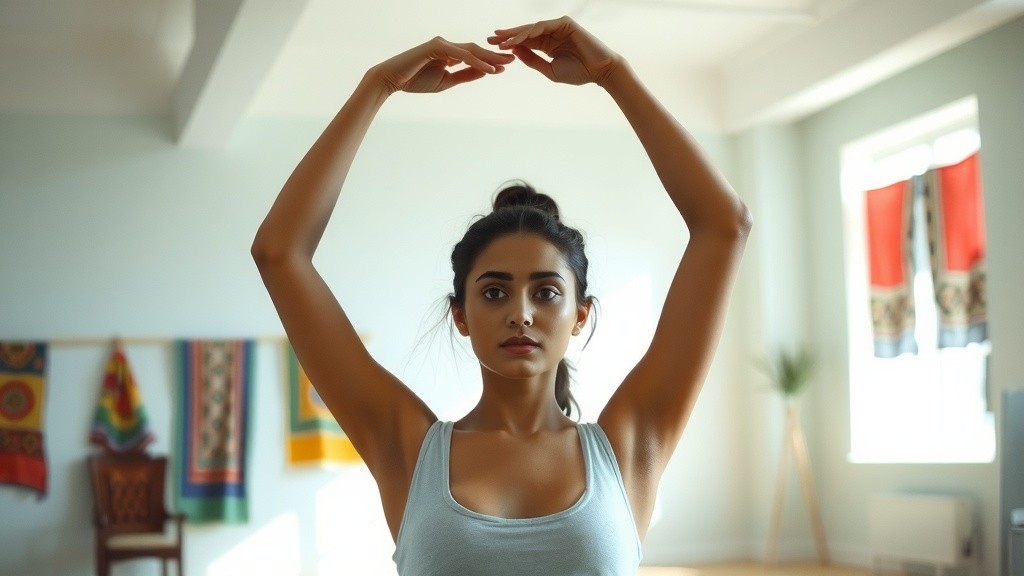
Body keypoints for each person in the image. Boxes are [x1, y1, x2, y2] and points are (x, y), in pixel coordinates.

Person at [252, 16, 751, 575]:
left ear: (580, 314)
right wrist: (376, 86)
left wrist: (615, 75)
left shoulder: (630, 445)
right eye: (494, 292)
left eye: (547, 292)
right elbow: (279, 253)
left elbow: (725, 225)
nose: (521, 314)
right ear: (460, 315)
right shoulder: (408, 448)